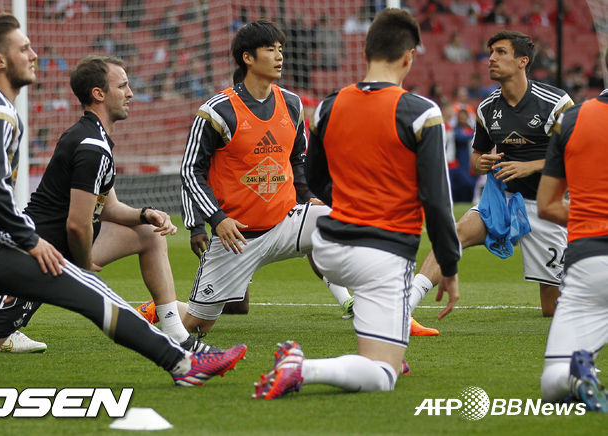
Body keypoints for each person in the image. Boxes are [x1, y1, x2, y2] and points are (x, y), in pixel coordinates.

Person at [0, 13, 246, 385]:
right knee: (100, 298)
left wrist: (143, 213)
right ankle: (185, 364)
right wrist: (31, 241)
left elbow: (104, 207)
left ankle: (182, 350)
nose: (34, 55)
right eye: (24, 48)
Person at [253, 9, 460, 399]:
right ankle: (302, 367)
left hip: (330, 247)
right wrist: (448, 266)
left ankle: (385, 342)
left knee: (384, 340)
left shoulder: (328, 106)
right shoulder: (422, 112)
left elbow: (314, 179)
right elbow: (437, 201)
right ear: (409, 57)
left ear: (366, 52)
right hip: (381, 252)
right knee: (383, 374)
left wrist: (350, 201)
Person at [178, 20, 359, 336]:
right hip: (236, 237)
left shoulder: (292, 103)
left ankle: (374, 305)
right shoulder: (216, 111)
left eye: (280, 49)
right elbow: (190, 171)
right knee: (197, 325)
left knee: (348, 221)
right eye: (270, 50)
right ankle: (160, 309)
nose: (279, 57)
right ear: (247, 58)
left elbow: (297, 160)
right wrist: (215, 220)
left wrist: (309, 197)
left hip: (286, 222)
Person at [408, 30, 574, 319]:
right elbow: (475, 158)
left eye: (500, 52)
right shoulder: (487, 107)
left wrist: (532, 165)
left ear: (522, 61)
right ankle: (405, 304)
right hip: (503, 200)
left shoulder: (556, 103)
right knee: (455, 234)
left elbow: (577, 157)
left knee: (552, 309)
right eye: (490, 53)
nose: (491, 59)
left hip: (547, 204)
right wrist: (481, 162)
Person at [537, 84, 608, 411]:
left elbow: (547, 205)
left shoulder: (570, 119)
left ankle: (576, 378)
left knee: (554, 377)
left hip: (589, 260)